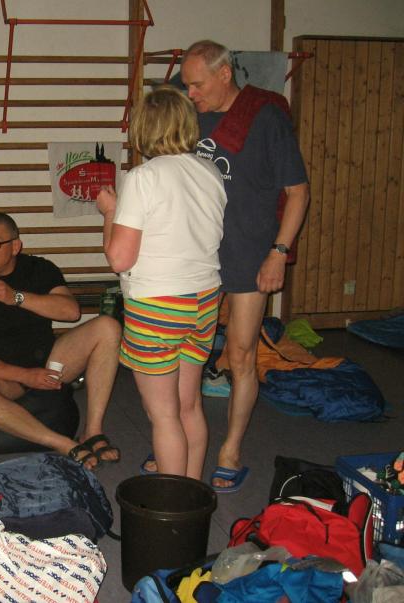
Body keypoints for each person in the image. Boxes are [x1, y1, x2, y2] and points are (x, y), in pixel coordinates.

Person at [173, 40, 310, 491]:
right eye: (186, 85)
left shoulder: (264, 118)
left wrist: (279, 252)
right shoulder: (189, 116)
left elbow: (298, 192)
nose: (191, 93)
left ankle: (230, 449)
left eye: (197, 84)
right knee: (185, 351)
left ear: (224, 74)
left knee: (241, 354)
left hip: (250, 252)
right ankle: (177, 437)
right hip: (197, 252)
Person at [96, 86, 227, 480]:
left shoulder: (143, 178)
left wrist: (110, 212)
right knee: (189, 406)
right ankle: (193, 490)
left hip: (158, 304)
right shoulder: (210, 172)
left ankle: (174, 501)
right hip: (204, 299)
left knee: (164, 414)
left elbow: (119, 258)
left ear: (143, 128)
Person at [0, 212, 122, 469]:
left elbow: (71, 312)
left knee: (108, 327)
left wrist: (15, 297)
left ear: (15, 246)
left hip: (51, 362)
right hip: (6, 377)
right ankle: (62, 443)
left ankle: (93, 431)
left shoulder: (39, 269)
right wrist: (26, 375)